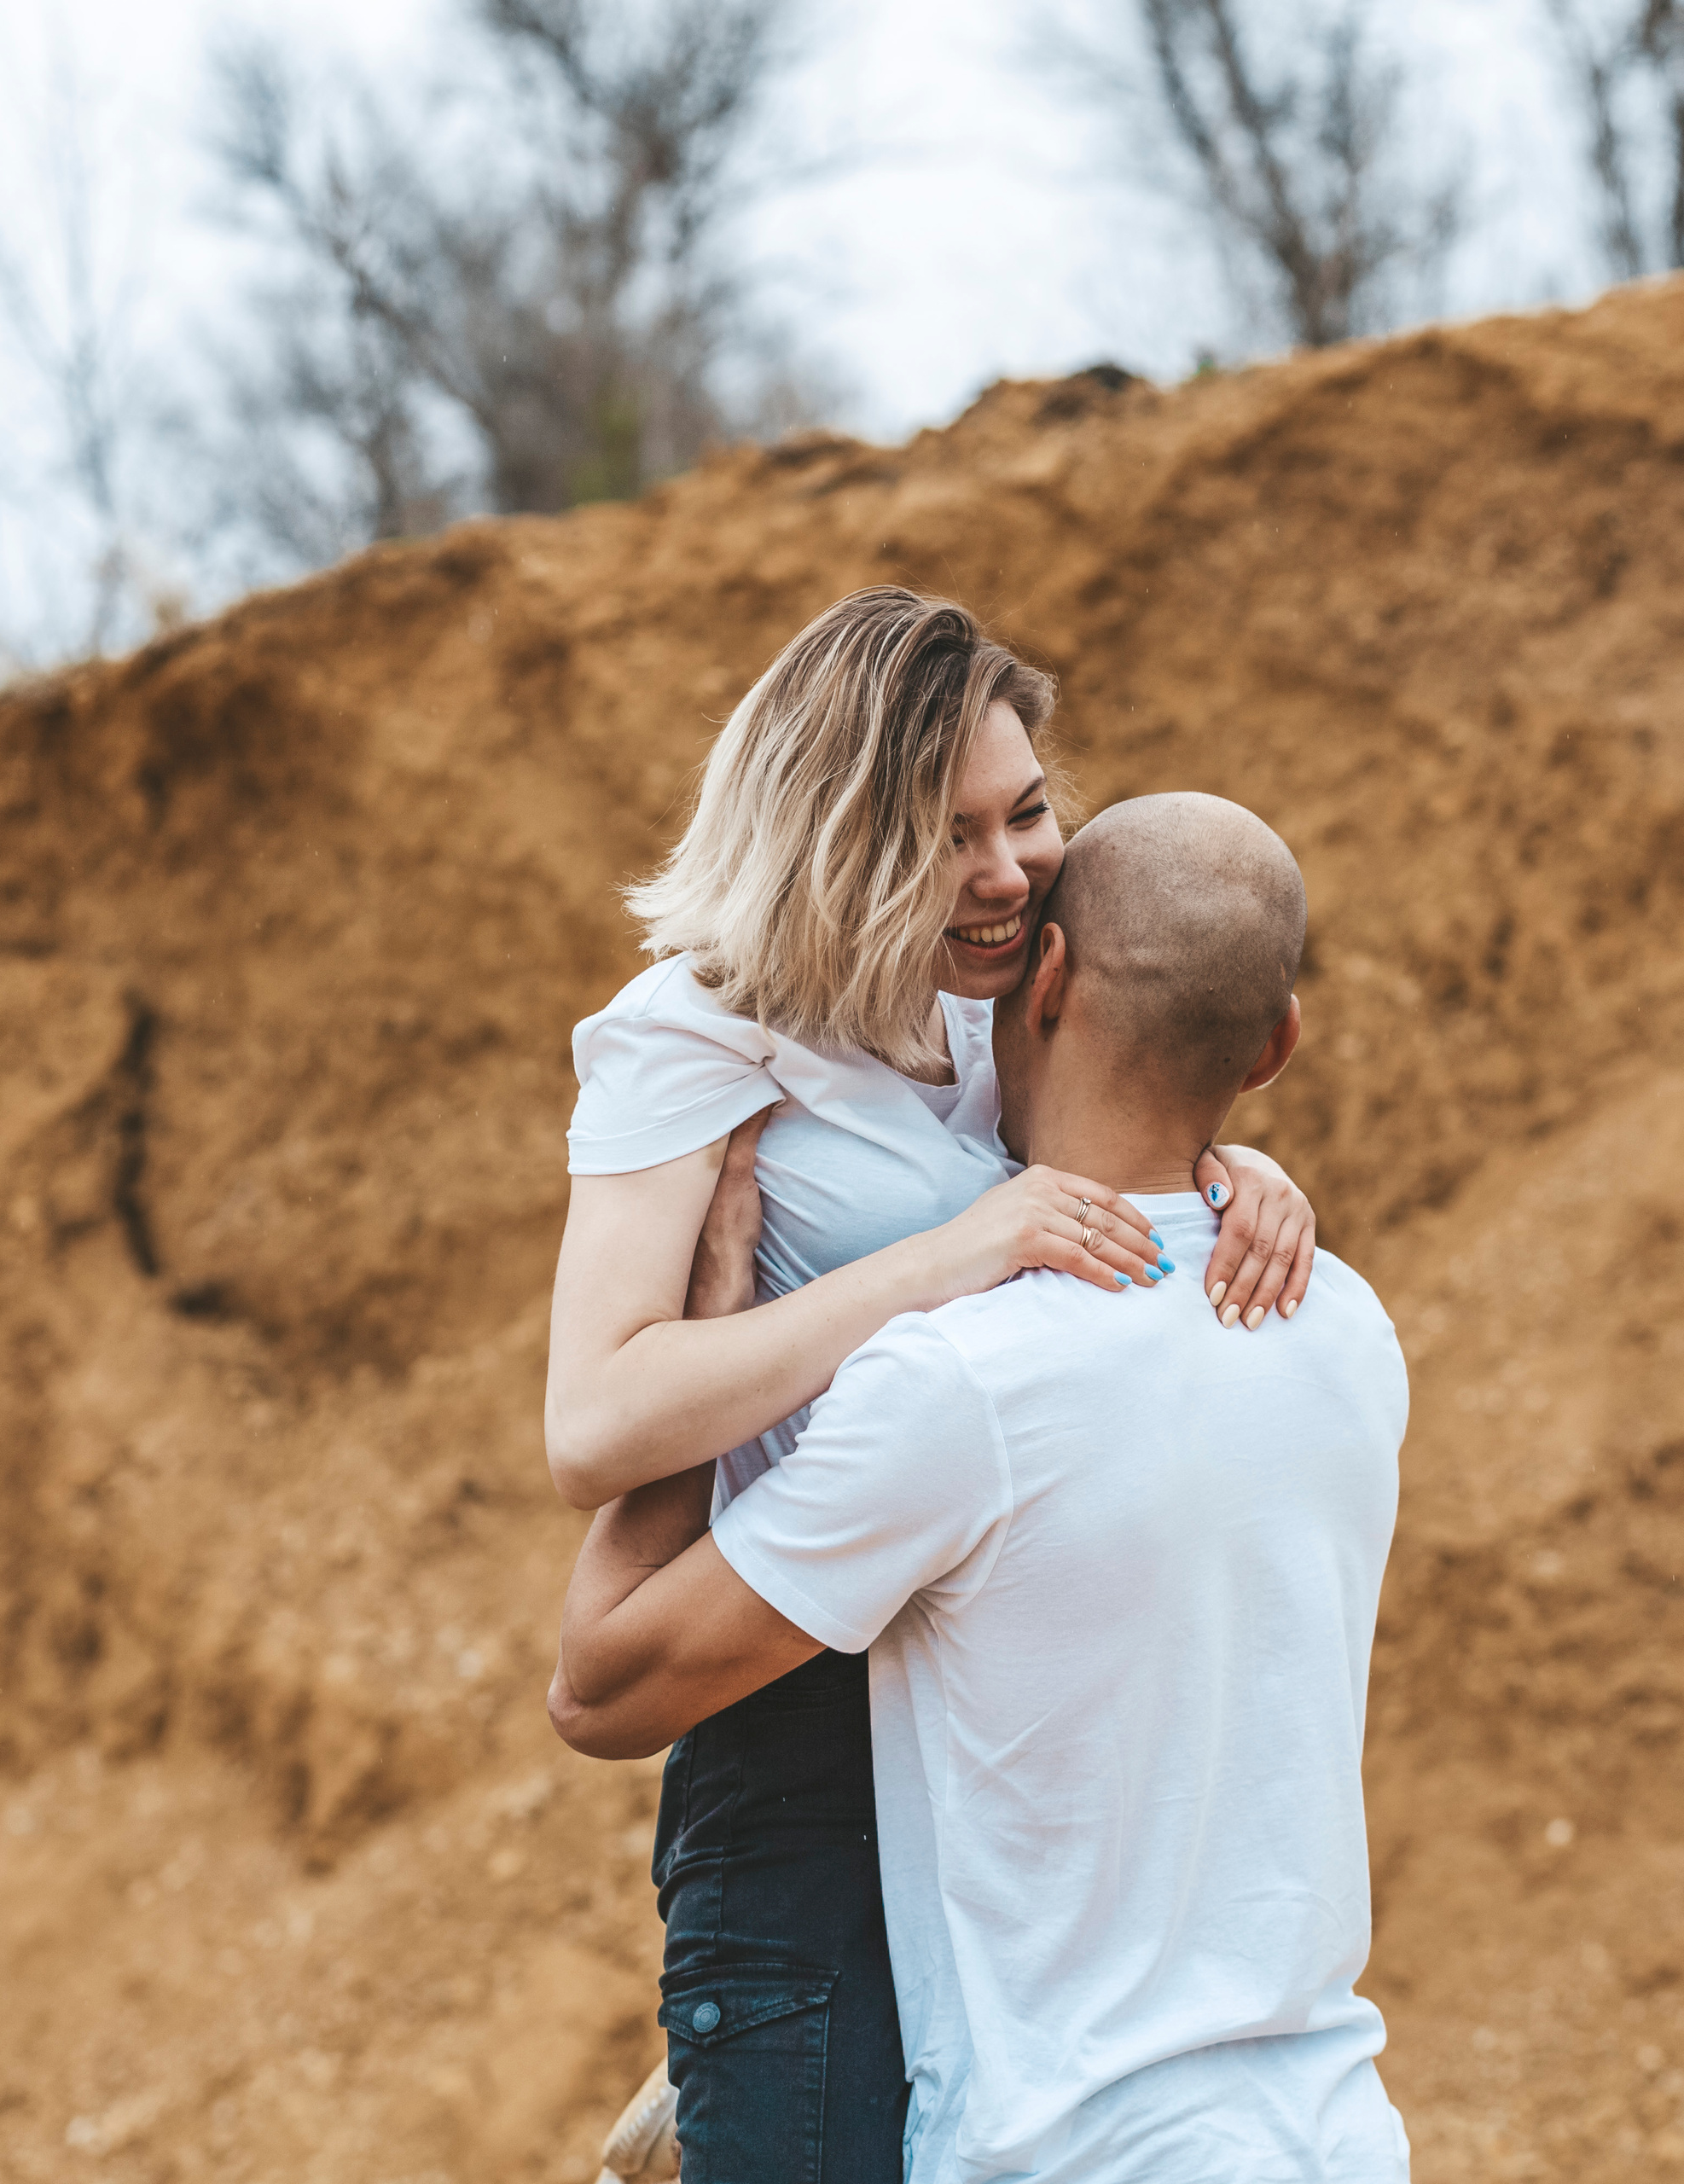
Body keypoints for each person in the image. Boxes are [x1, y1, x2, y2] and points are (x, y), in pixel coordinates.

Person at [547, 589, 1319, 2179]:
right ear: (831, 834)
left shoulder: (992, 998)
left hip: (1015, 1704)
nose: (1010, 871)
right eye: (945, 834)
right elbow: (597, 1420)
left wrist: (1236, 1171)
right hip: (800, 1692)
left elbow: (1118, 1131)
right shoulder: (697, 1033)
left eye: (1025, 812)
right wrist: (935, 1260)